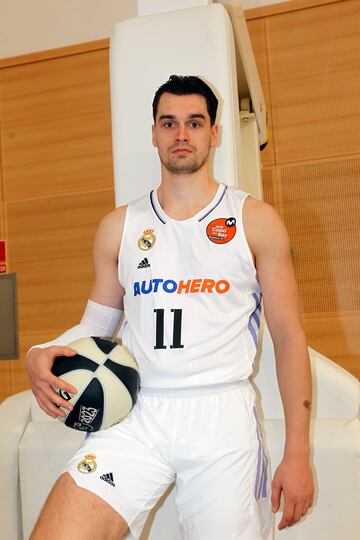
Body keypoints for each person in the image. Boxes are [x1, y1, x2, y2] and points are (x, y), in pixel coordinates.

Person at [26, 75, 314, 540]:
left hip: (220, 418)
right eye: (169, 123)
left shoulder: (254, 221)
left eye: (194, 123)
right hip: (137, 411)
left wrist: (297, 452)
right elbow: (96, 325)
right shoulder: (119, 226)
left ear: (213, 133)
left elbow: (289, 338)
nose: (182, 135)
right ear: (154, 133)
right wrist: (39, 351)